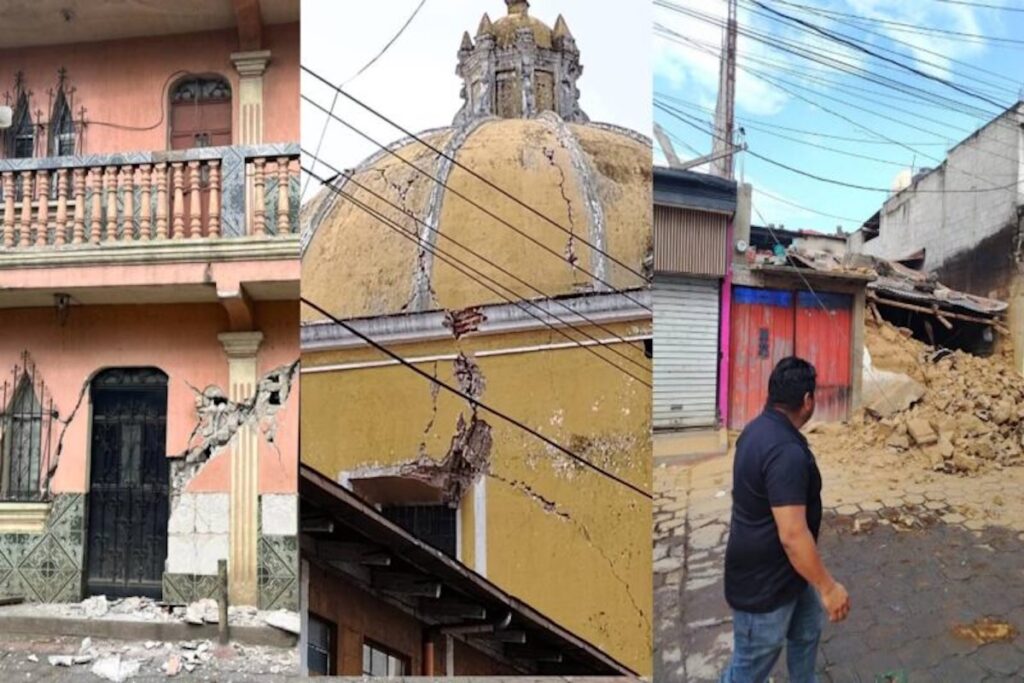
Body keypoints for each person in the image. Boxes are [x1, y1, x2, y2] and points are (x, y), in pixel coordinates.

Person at [720, 357, 850, 683]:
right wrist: (829, 587)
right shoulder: (785, 452)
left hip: (789, 573)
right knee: (748, 669)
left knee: (807, 630)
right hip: (763, 585)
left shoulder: (756, 430)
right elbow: (792, 535)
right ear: (807, 400)